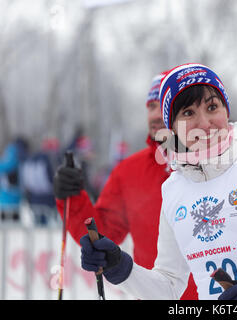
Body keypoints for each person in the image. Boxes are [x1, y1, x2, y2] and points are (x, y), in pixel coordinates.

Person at [79, 63, 237, 300]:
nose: (204, 124)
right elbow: (169, 287)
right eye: (188, 113)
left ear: (226, 110)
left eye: (212, 107)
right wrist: (120, 268)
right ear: (171, 128)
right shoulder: (173, 190)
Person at [53, 71, 198, 299]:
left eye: (163, 104)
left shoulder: (219, 165)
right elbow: (103, 232)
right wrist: (70, 196)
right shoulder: (129, 171)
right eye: (150, 106)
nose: (155, 114)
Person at [0, 137, 29, 223]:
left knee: (4, 229)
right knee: (15, 229)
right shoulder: (24, 162)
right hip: (16, 201)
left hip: (3, 201)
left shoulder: (4, 163)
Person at [20, 137, 60, 226]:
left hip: (34, 199)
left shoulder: (31, 159)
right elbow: (53, 180)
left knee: (38, 228)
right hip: (49, 200)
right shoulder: (50, 160)